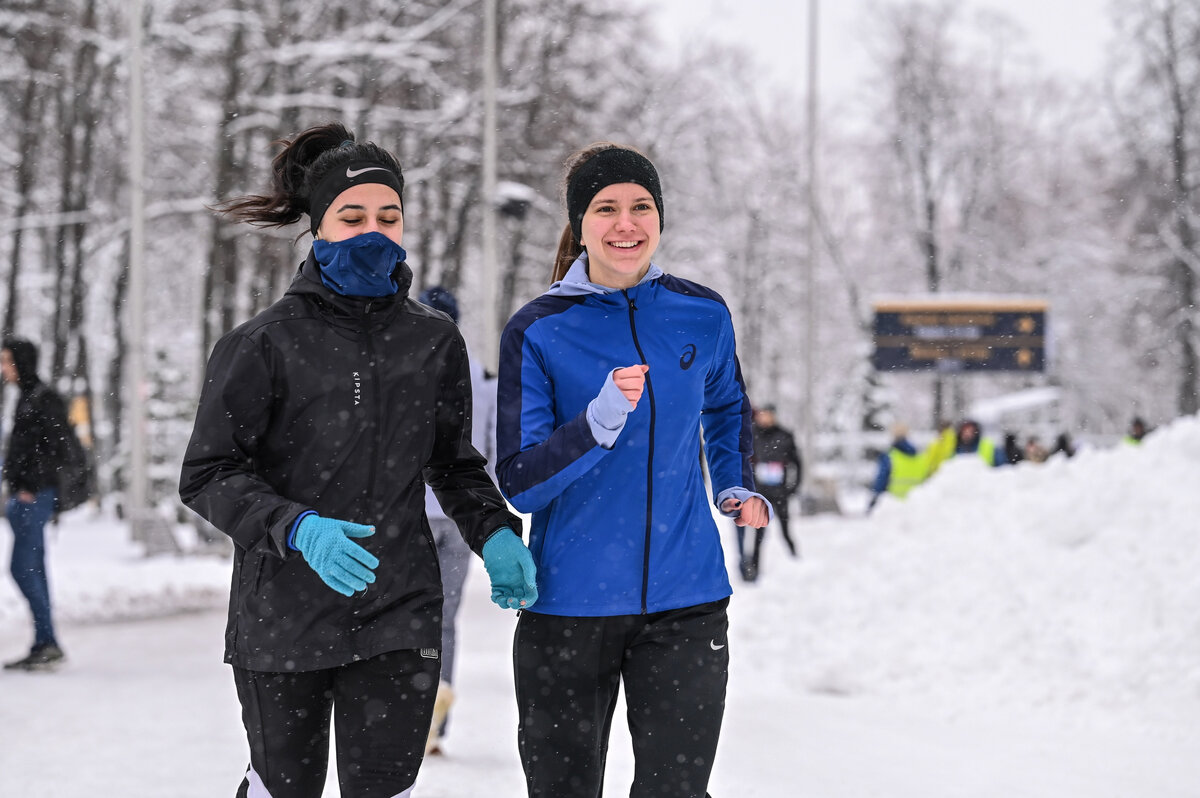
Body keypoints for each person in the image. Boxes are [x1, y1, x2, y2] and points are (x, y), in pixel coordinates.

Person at [178, 122, 536, 798]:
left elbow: (453, 464)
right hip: (282, 617)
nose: (373, 230)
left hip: (398, 611)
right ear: (317, 227)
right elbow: (208, 475)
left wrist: (494, 532)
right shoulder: (262, 344)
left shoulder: (431, 341)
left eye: (388, 215)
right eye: (352, 216)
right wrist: (296, 527)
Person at [495, 142, 771, 798]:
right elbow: (521, 481)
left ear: (660, 217)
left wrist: (734, 483)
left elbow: (728, 406)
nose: (626, 223)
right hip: (568, 607)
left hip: (687, 602)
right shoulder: (538, 330)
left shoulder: (701, 313)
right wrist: (596, 424)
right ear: (580, 224)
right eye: (606, 208)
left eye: (641, 206)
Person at [416, 284, 496, 756]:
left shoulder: (409, 368)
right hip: (460, 512)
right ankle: (436, 717)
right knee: (445, 617)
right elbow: (491, 449)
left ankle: (409, 709)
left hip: (412, 512)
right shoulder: (482, 379)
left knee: (406, 612)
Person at [2, 338, 68, 671]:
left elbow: (56, 448)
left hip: (34, 497)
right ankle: (46, 642)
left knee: (23, 569)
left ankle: (48, 641)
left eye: (7, 361)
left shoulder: (44, 399)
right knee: (34, 570)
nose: (3, 369)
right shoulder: (26, 398)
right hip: (23, 498)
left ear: (22, 362)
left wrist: (30, 486)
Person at [739, 402, 801, 580]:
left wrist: (793, 487)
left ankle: (795, 560)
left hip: (780, 492)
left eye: (767, 415)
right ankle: (755, 570)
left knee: (785, 529)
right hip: (760, 492)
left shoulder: (784, 435)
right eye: (761, 415)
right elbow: (745, 460)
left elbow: (797, 463)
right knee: (758, 533)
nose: (763, 418)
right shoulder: (752, 434)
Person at [867, 422, 928, 512]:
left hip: (894, 505)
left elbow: (881, 480)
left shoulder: (889, 457)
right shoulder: (921, 457)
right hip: (917, 506)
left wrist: (874, 499)